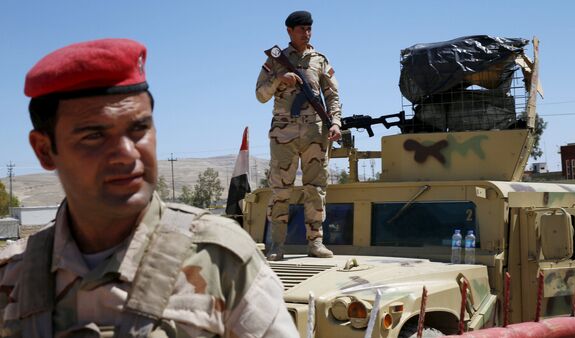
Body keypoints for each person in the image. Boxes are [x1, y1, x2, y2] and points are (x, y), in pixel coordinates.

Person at [0, 38, 299, 337]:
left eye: (139, 129)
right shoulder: (12, 275)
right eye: (94, 136)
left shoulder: (220, 259)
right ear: (44, 150)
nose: (128, 154)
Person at [256, 11, 342, 261]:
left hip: (316, 132)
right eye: (301, 29)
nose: (306, 33)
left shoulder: (320, 60)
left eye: (309, 29)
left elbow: (333, 95)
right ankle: (277, 246)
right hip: (284, 133)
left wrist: (335, 122)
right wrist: (278, 79)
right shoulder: (275, 60)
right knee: (281, 191)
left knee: (315, 189)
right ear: (289, 31)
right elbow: (260, 95)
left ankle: (315, 243)